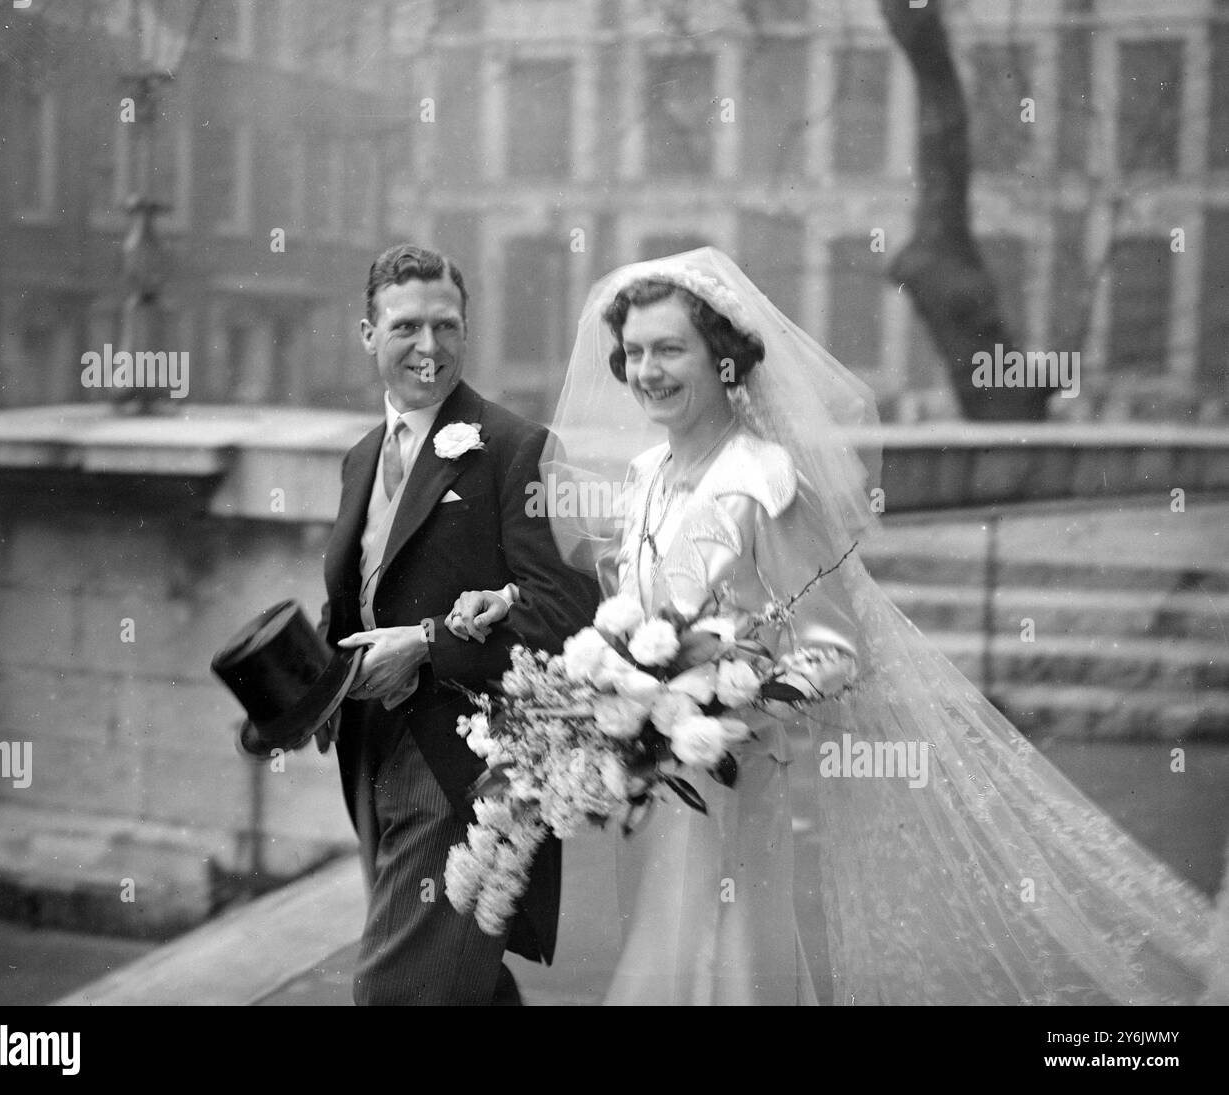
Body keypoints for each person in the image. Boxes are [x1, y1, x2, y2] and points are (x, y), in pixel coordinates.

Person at [444, 246, 1215, 1005]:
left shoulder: (768, 481)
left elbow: (835, 651)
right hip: (656, 789)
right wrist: (552, 647)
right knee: (665, 950)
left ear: (725, 360)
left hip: (735, 777)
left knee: (730, 959)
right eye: (635, 351)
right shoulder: (646, 477)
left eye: (671, 348)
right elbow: (629, 613)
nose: (647, 370)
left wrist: (715, 707)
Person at [316, 244, 598, 1005]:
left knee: (398, 991)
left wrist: (431, 644)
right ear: (367, 334)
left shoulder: (517, 449)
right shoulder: (360, 459)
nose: (430, 348)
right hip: (375, 759)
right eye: (407, 327)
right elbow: (358, 602)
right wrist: (306, 686)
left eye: (447, 325)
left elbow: (569, 614)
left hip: (463, 775)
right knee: (462, 984)